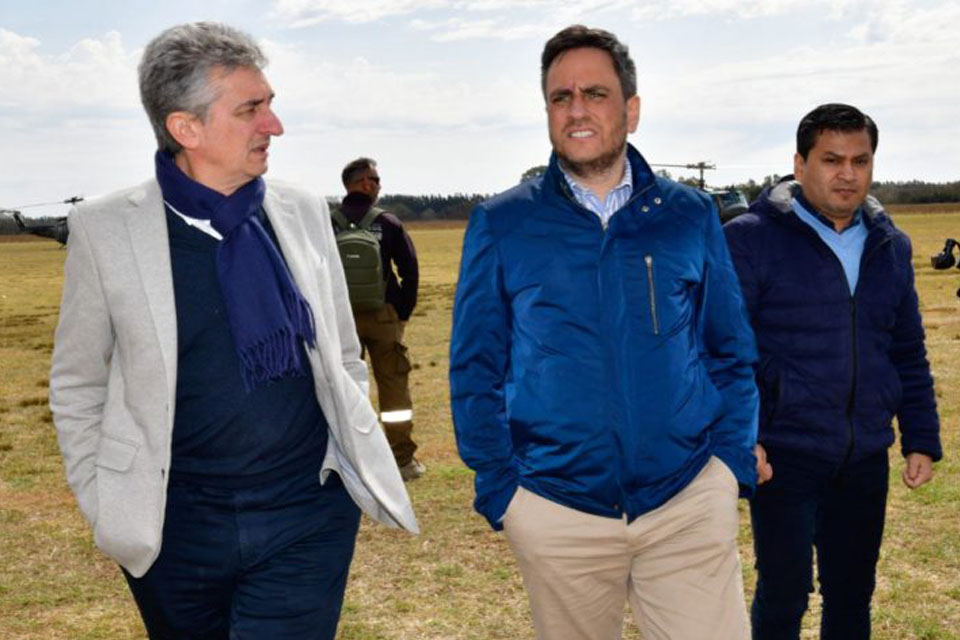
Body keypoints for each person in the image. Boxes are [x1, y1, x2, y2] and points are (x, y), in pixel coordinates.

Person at [48, 22, 417, 639]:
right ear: (185, 128)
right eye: (251, 109)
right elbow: (77, 382)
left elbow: (344, 353)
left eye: (269, 104)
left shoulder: (303, 210)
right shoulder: (105, 229)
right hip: (173, 530)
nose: (274, 125)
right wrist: (104, 500)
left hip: (306, 514)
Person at [449, 24, 759, 640]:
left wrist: (728, 465)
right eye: (560, 97)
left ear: (631, 111)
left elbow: (729, 351)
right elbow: (475, 367)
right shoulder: (503, 222)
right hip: (557, 510)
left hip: (687, 501)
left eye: (595, 93)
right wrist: (503, 490)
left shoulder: (688, 214)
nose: (577, 109)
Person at [724, 103, 941, 640]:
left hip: (864, 455)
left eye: (860, 161)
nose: (847, 174)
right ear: (800, 165)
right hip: (783, 454)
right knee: (784, 594)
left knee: (852, 594)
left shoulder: (891, 245)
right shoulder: (749, 240)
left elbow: (906, 349)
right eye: (831, 160)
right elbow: (726, 350)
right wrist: (744, 436)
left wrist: (920, 437)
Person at [331, 158, 423, 481]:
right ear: (364, 183)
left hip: (341, 319)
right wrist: (402, 312)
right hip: (384, 317)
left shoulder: (326, 223)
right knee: (394, 387)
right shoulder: (388, 222)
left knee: (346, 389)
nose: (379, 185)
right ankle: (402, 461)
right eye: (376, 179)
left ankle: (352, 459)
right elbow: (409, 271)